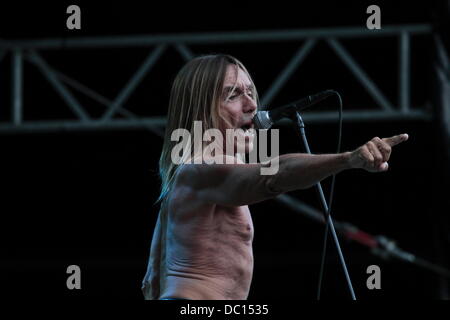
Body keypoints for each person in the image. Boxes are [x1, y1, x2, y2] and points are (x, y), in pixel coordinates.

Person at [141, 54, 409, 300]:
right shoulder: (199, 168)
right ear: (200, 110)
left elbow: (152, 276)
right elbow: (272, 175)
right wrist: (347, 159)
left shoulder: (187, 175)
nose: (252, 105)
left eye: (249, 92)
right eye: (233, 95)